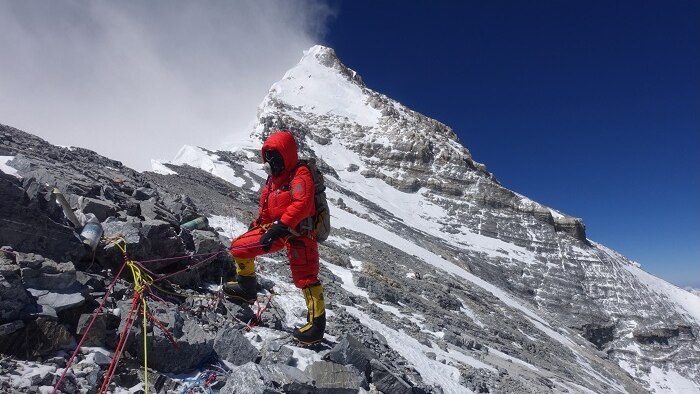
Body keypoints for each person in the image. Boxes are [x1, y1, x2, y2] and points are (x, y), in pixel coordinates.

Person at [224, 130, 326, 344]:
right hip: (277, 229)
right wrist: (259, 224)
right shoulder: (272, 180)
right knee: (239, 247)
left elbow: (302, 203)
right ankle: (246, 287)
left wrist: (281, 225)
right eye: (268, 156)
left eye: (274, 156)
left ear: (286, 155)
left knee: (306, 277)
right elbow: (266, 207)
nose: (270, 161)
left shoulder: (301, 174)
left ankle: (316, 325)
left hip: (301, 232)